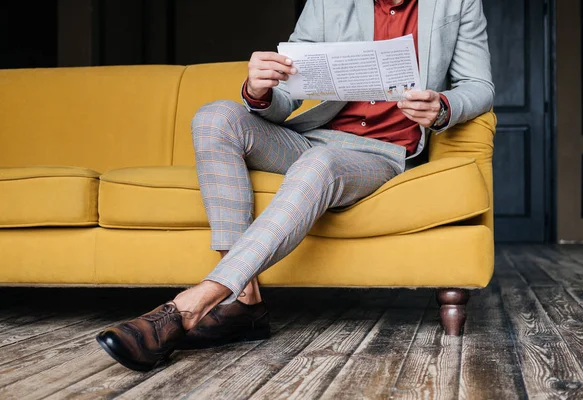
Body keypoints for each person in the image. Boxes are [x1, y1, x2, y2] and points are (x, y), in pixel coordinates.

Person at [96, 0, 494, 372]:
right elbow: (287, 93)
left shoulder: (456, 3)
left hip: (381, 152)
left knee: (318, 163)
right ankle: (244, 302)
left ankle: (190, 306)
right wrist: (260, 89)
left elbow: (479, 85)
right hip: (314, 135)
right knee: (214, 117)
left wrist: (442, 107)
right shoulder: (328, 3)